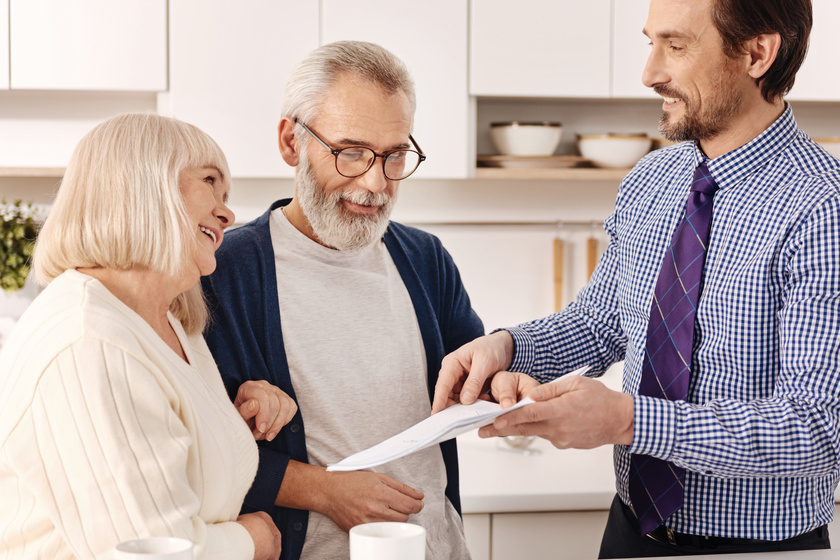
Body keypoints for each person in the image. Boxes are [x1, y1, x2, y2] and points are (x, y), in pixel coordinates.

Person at [433, 0, 840, 557]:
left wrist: (628, 421)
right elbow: (599, 323)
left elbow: (818, 427)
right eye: (651, 43)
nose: (649, 73)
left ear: (757, 54)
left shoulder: (823, 207)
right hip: (629, 530)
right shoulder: (651, 178)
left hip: (755, 548)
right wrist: (507, 347)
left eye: (676, 46)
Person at [201, 40, 484, 560]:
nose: (375, 183)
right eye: (351, 153)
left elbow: (476, 385)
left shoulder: (426, 259)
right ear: (291, 141)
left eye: (394, 155)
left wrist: (507, 386)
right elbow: (197, 448)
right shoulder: (222, 272)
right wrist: (324, 491)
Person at [0, 112, 298, 560]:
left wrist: (235, 418)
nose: (227, 213)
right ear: (143, 183)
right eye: (209, 181)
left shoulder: (168, 322)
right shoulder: (89, 342)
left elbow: (164, 462)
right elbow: (151, 551)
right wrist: (252, 540)